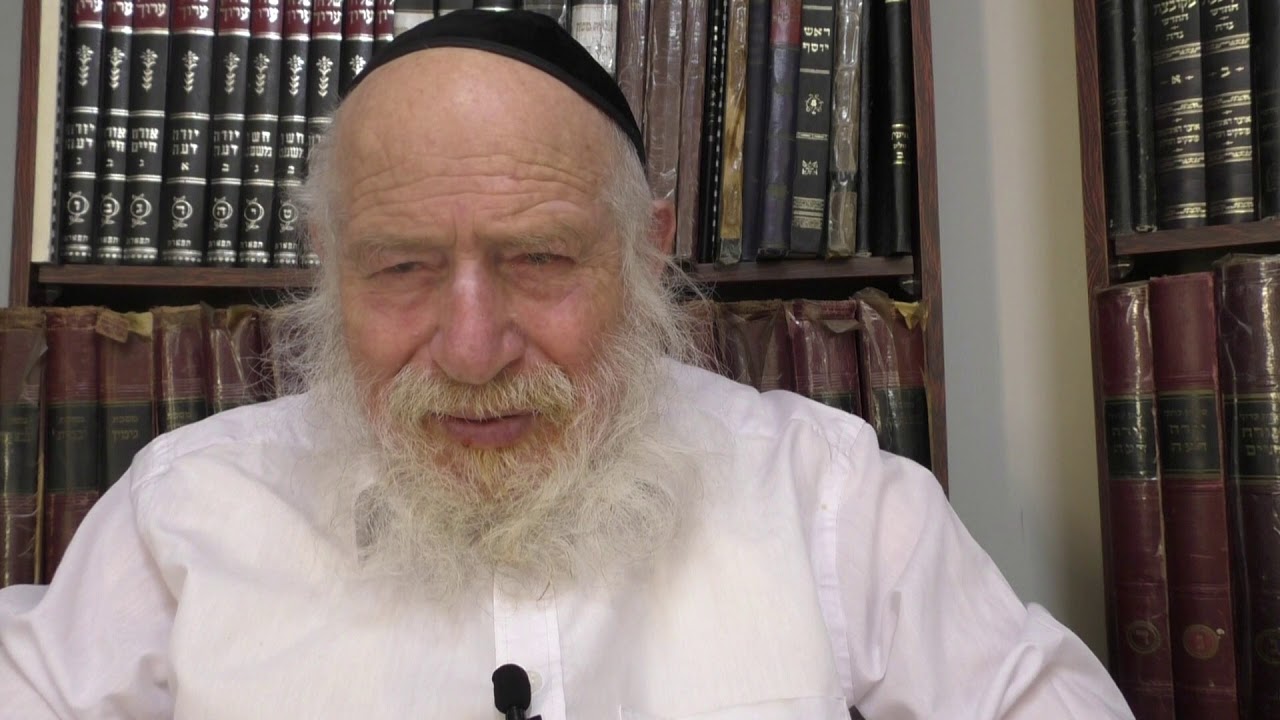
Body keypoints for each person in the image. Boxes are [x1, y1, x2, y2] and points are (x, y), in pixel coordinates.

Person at [0, 10, 1133, 719]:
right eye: (399, 268)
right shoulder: (185, 511)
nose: (471, 349)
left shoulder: (828, 495)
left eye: (540, 259)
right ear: (330, 268)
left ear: (646, 253)